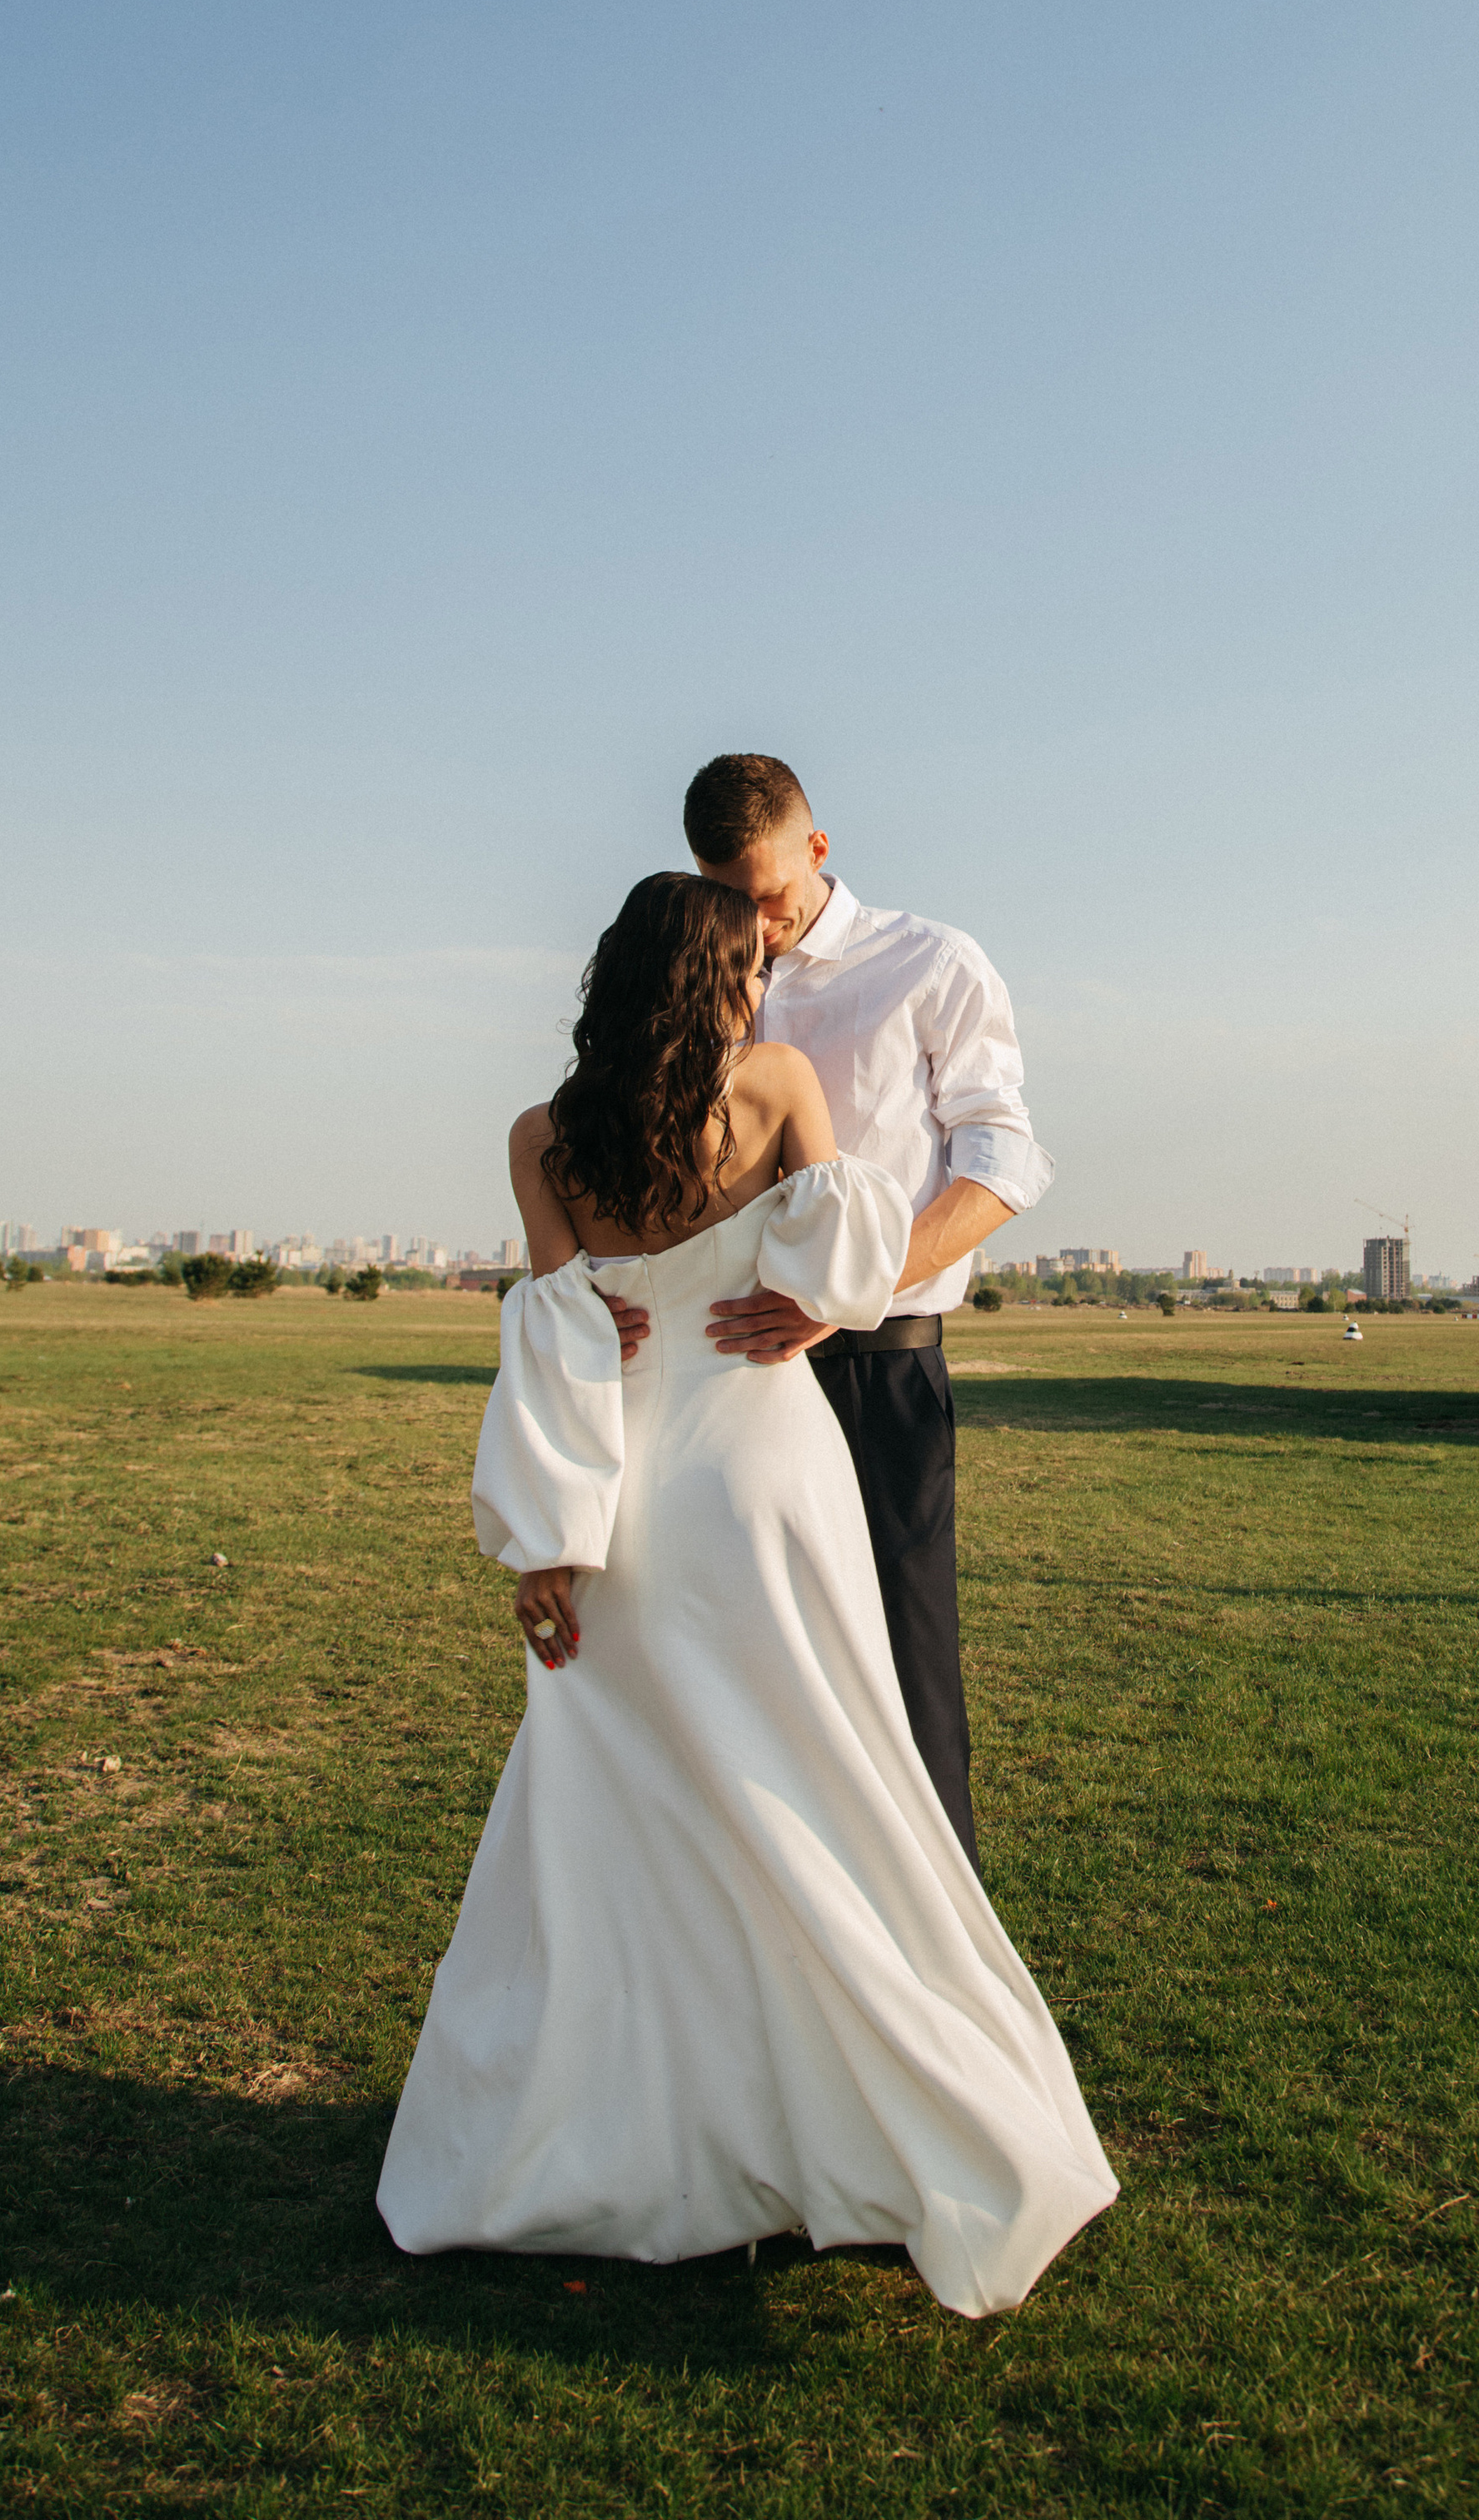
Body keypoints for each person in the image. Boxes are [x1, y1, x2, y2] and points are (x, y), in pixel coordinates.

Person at [376, 872, 1114, 2317]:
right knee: (821, 1786)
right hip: (768, 1472)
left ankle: (629, 2139)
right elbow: (842, 1263)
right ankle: (881, 2124)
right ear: (729, 980)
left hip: (630, 1495)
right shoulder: (776, 1085)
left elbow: (561, 1343)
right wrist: (807, 1304)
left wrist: (548, 1543)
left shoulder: (542, 1138)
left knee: (622, 1818)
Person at [685, 752, 1048, 1871]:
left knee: (907, 1666)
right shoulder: (703, 978)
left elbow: (1002, 1159)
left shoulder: (931, 963)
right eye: (727, 896)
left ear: (819, 850)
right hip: (734, 1373)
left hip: (881, 1369)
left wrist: (845, 1296)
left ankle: (947, 1959)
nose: (754, 921)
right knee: (752, 1667)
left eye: (771, 895)